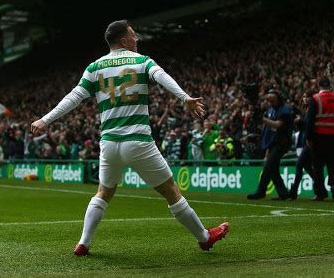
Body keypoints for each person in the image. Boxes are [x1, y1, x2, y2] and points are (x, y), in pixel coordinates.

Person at [31, 20, 229, 256]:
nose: (137, 39)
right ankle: (204, 237)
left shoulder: (95, 67)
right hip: (138, 140)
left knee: (103, 192)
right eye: (134, 35)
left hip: (110, 143)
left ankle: (83, 242)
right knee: (170, 190)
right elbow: (162, 76)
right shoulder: (142, 61)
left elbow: (74, 97)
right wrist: (184, 97)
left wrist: (45, 119)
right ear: (123, 40)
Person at [247, 89, 293, 200]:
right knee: (273, 170)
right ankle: (284, 194)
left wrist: (261, 119)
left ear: (279, 99)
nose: (270, 103)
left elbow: (278, 125)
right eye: (269, 101)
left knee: (268, 167)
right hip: (272, 143)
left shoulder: (285, 111)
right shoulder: (270, 110)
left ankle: (261, 191)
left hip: (282, 142)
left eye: (273, 100)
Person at [306, 77, 334, 200]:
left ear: (319, 85)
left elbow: (310, 121)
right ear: (329, 86)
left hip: (319, 136)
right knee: (332, 163)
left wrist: (308, 138)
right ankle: (333, 185)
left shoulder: (315, 99)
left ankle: (320, 193)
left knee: (318, 166)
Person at [289, 91, 315, 199]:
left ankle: (294, 191)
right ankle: (320, 187)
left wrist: (300, 121)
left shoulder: (312, 111)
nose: (305, 98)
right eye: (304, 96)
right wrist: (298, 121)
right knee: (307, 167)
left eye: (307, 96)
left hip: (311, 142)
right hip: (305, 142)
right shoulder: (305, 112)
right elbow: (303, 127)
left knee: (299, 165)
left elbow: (310, 126)